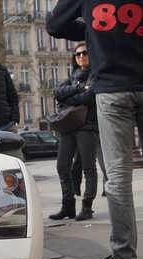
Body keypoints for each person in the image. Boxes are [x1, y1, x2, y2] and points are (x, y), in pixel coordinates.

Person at [47, 1, 142, 259]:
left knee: (118, 173)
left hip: (112, 89)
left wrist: (93, 31)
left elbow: (54, 25)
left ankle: (124, 255)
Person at [49, 43, 100, 222]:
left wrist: (70, 96)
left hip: (87, 126)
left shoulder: (96, 76)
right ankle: (68, 206)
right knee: (62, 167)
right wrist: (77, 89)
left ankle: (87, 206)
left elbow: (88, 97)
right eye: (77, 54)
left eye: (85, 52)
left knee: (88, 167)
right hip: (69, 126)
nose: (81, 56)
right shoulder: (72, 78)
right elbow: (57, 93)